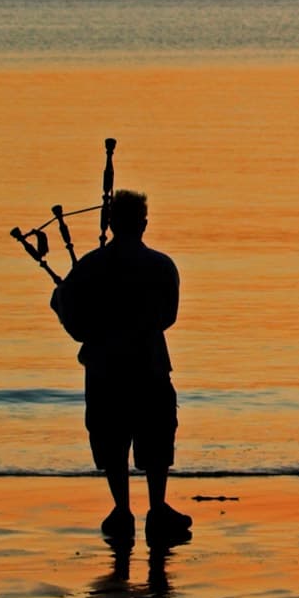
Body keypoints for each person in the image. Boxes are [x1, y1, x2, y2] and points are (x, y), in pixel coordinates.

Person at [50, 189, 193, 545]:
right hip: (150, 367)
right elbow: (168, 317)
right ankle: (157, 508)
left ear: (111, 223)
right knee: (157, 442)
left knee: (111, 441)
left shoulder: (88, 267)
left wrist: (61, 299)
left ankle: (121, 510)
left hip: (104, 371)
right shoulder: (162, 265)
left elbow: (75, 324)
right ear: (144, 224)